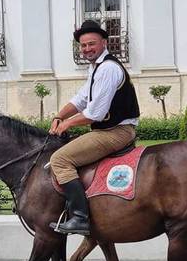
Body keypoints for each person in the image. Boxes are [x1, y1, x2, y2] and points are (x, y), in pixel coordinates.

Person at [49, 20, 140, 235]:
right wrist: (59, 115)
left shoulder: (108, 68)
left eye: (92, 44)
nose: (87, 49)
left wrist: (67, 124)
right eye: (83, 45)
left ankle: (80, 217)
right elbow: (81, 99)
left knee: (59, 159)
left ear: (104, 43)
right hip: (108, 130)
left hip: (115, 132)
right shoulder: (96, 68)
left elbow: (95, 113)